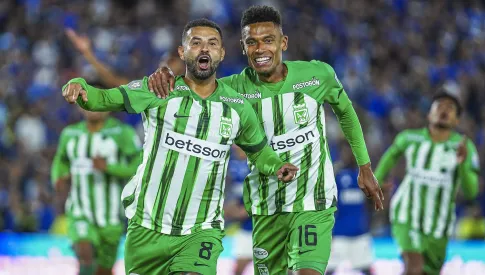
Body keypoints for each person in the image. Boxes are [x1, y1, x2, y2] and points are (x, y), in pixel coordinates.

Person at [147, 5, 383, 275]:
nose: (260, 49)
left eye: (268, 40)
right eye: (252, 42)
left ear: (283, 42)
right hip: (265, 208)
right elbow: (189, 90)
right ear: (243, 46)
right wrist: (164, 73)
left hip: (313, 202)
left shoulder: (317, 75)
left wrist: (364, 167)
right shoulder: (232, 89)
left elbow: (346, 113)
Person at [61, 18, 298, 275]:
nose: (205, 49)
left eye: (212, 43)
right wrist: (80, 87)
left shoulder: (237, 107)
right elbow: (105, 97)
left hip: (201, 230)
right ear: (182, 52)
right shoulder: (159, 91)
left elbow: (259, 151)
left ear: (222, 52)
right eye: (196, 43)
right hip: (147, 228)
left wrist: (276, 165)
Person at [374, 83, 480, 275]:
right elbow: (391, 156)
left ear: (457, 121)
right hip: (407, 215)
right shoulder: (410, 138)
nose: (444, 110)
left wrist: (463, 164)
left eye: (450, 108)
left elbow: (471, 191)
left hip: (439, 225)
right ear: (429, 115)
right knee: (413, 267)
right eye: (439, 106)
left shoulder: (465, 147)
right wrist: (378, 180)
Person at [51, 81, 142, 275]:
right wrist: (58, 177)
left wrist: (109, 167)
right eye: (86, 98)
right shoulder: (71, 134)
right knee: (85, 255)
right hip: (79, 211)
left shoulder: (122, 133)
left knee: (103, 270)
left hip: (111, 216)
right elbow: (61, 161)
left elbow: (139, 166)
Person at [65, 28, 185, 88]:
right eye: (164, 61)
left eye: (171, 60)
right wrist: (88, 54)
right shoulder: (151, 90)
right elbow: (113, 80)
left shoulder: (197, 89)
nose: (166, 65)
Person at [326, 141, 374, 275]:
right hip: (339, 234)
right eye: (346, 151)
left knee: (366, 269)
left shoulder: (365, 175)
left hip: (360, 233)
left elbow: (370, 203)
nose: (349, 155)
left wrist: (369, 224)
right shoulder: (335, 175)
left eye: (352, 152)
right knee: (328, 269)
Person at [224, 145, 254, 275]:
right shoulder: (228, 158)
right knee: (238, 268)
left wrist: (247, 210)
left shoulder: (259, 160)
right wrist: (229, 206)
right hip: (245, 225)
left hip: (266, 223)